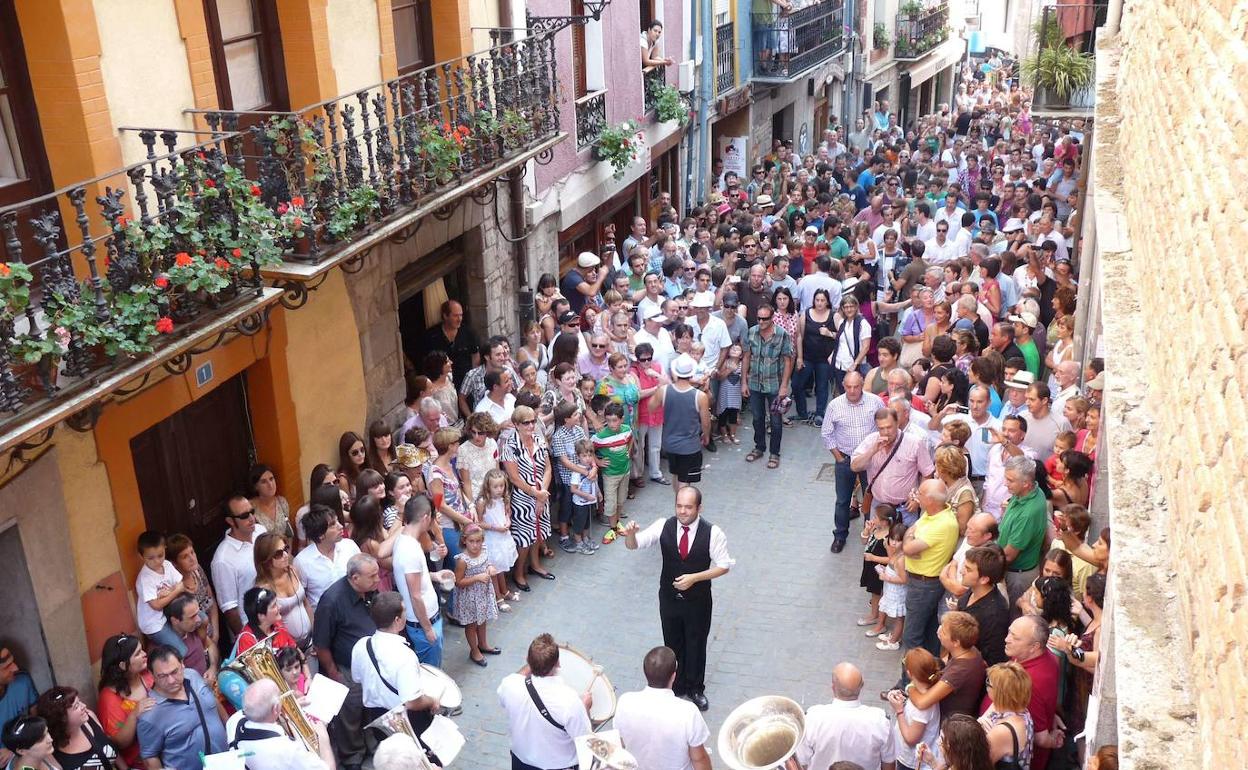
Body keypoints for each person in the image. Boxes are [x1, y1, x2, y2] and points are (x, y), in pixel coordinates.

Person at [622, 487, 733, 711]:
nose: (682, 511)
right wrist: (631, 534)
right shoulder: (664, 525)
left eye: (688, 507)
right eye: (679, 506)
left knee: (696, 643)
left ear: (699, 508)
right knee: (672, 642)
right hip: (669, 598)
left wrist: (695, 578)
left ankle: (695, 688)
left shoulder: (713, 533)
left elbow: (724, 565)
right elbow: (634, 545)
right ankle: (676, 684)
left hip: (698, 601)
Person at [350, 592, 442, 763]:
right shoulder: (405, 656)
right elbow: (412, 702)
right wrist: (432, 700)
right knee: (421, 761)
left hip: (377, 716)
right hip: (408, 719)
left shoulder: (361, 645)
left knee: (392, 761)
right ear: (397, 620)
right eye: (404, 610)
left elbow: (357, 678)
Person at [311, 553, 382, 770]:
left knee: (369, 707)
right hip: (346, 668)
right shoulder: (332, 601)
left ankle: (370, 744)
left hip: (369, 665)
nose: (378, 579)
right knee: (350, 714)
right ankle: (352, 757)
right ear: (355, 578)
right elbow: (321, 644)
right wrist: (334, 673)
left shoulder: (369, 590)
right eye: (372, 576)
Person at [497, 634, 592, 770]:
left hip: (520, 764)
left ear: (527, 660)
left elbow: (516, 679)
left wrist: (534, 662)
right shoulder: (570, 701)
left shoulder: (509, 685)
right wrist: (585, 708)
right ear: (558, 663)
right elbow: (586, 741)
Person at [614, 646, 712, 770]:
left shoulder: (625, 701)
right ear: (673, 676)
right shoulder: (688, 712)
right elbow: (699, 758)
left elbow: (620, 743)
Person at [822, 372, 885, 552]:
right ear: (843, 385)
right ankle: (840, 535)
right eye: (848, 387)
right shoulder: (835, 405)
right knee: (842, 500)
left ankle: (870, 534)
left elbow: (884, 425)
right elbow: (826, 433)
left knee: (870, 498)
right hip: (846, 458)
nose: (852, 390)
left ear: (862, 384)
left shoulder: (875, 402)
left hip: (870, 459)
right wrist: (839, 458)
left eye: (856, 386)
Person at [137, 645, 228, 770]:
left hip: (226, 761)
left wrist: (230, 729)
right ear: (151, 674)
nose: (171, 680)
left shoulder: (193, 676)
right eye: (162, 676)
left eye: (174, 672)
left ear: (182, 664)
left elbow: (213, 702)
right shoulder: (150, 714)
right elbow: (149, 757)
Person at [795, 662, 895, 770]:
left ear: (833, 687)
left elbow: (801, 762)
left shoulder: (812, 718)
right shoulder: (881, 721)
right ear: (862, 685)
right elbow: (889, 762)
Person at [391, 497, 454, 668]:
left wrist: (435, 576)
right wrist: (427, 629)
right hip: (423, 624)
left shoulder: (405, 540)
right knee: (431, 671)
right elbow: (415, 596)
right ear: (426, 518)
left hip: (427, 620)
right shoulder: (410, 550)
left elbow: (414, 578)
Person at [224, 679, 335, 770]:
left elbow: (257, 707)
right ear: (276, 708)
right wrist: (323, 737)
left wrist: (290, 707)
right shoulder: (287, 750)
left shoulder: (233, 721)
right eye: (280, 696)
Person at [997, 616, 1063, 770]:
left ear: (1034, 646)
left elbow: (1041, 738)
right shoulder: (1044, 656)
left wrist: (1055, 741)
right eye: (1009, 632)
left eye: (1015, 638)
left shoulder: (1029, 684)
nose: (1006, 639)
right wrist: (1051, 714)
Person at [502, 405, 555, 589]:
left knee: (538, 533)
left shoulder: (539, 439)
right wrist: (536, 493)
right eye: (526, 423)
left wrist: (542, 494)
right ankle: (519, 573)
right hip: (522, 498)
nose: (531, 426)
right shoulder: (509, 446)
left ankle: (535, 565)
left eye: (533, 421)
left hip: (542, 493)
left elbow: (548, 468)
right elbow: (514, 478)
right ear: (516, 424)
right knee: (525, 538)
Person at [903, 611, 986, 719]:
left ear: (956, 642)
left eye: (944, 631)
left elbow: (922, 703)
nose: (939, 631)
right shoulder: (970, 650)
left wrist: (910, 687)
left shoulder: (959, 671)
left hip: (948, 720)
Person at [741, 302, 795, 468]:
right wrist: (744, 382)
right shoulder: (751, 332)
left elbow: (788, 361)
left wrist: (784, 386)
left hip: (774, 384)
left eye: (765, 319)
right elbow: (746, 357)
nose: (761, 322)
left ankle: (774, 453)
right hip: (755, 383)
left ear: (772, 318)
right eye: (759, 318)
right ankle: (759, 447)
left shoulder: (782, 335)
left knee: (776, 420)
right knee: (757, 418)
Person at [650, 355, 711, 497]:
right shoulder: (700, 396)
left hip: (670, 443)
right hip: (690, 445)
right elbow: (706, 422)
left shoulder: (664, 391)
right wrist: (706, 435)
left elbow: (651, 407)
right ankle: (681, 505)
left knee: (676, 474)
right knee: (685, 480)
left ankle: (678, 502)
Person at [211, 494, 269, 634]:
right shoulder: (222, 560)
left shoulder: (261, 531)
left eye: (252, 512)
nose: (251, 518)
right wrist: (247, 638)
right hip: (254, 628)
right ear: (230, 521)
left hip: (276, 613)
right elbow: (229, 608)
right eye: (244, 516)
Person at [95, 635, 154, 769]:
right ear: (122, 665)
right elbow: (121, 743)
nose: (144, 654)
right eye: (138, 653)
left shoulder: (148, 673)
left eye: (142, 650)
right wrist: (134, 714)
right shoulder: (109, 698)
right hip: (141, 761)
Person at [998, 457, 1049, 608]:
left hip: (1017, 576)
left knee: (1013, 614)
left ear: (1026, 483)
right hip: (1015, 570)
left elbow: (1009, 555)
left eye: (1010, 480)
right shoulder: (1032, 491)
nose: (1005, 483)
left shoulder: (1028, 514)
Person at [294, 505, 362, 613]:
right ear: (320, 535)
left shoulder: (350, 546)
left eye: (338, 521)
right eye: (332, 524)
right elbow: (302, 598)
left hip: (355, 610)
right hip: (324, 616)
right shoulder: (302, 562)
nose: (340, 526)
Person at [452, 524, 501, 666]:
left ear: (482, 540)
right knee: (471, 624)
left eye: (478, 541)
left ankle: (483, 644)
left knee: (482, 619)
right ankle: (474, 650)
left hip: (483, 593)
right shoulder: (463, 560)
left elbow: (487, 563)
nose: (475, 545)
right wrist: (476, 578)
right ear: (464, 541)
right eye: (471, 541)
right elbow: (458, 582)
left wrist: (490, 567)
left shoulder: (484, 551)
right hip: (469, 597)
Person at [885, 649, 942, 770]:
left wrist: (899, 711)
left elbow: (911, 738)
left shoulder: (923, 708)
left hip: (912, 762)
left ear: (909, 673)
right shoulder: (929, 691)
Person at [133, 531, 188, 656]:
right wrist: (175, 591)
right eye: (151, 558)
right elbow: (156, 605)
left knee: (201, 619)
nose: (157, 561)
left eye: (160, 555)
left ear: (165, 549)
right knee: (181, 651)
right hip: (154, 623)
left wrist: (169, 593)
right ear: (141, 556)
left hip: (169, 611)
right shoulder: (145, 579)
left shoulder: (167, 565)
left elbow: (181, 585)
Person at [955, 546, 1010, 666]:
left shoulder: (995, 614)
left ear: (984, 579)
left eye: (968, 569)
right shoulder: (972, 591)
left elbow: (993, 659)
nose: (961, 571)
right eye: (964, 566)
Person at [165, 535, 220, 645]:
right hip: (198, 643)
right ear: (174, 563)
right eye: (185, 556)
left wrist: (216, 634)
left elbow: (211, 602)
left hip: (213, 635)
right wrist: (208, 643)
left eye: (192, 552)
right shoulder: (176, 590)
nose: (192, 558)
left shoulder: (197, 570)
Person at [422, 300, 479, 391]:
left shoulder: (468, 332)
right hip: (443, 386)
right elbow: (427, 362)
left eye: (461, 315)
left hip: (465, 383)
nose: (459, 319)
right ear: (445, 316)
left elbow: (475, 356)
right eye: (455, 315)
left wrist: (473, 379)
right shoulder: (432, 336)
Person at [163, 596, 218, 685]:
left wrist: (213, 667)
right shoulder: (164, 647)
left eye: (197, 614)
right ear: (175, 620)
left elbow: (211, 645)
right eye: (192, 617)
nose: (198, 619)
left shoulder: (194, 629)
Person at [0, 645, 40, 759]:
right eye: (7, 666)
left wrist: (14, 750)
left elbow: (38, 722)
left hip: (27, 753)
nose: (15, 668)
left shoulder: (22, 681)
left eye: (13, 662)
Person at [249, 463, 294, 541]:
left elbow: (289, 534)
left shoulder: (282, 502)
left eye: (271, 479)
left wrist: (288, 548)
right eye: (263, 482)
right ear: (256, 486)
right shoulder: (250, 507)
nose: (270, 485)